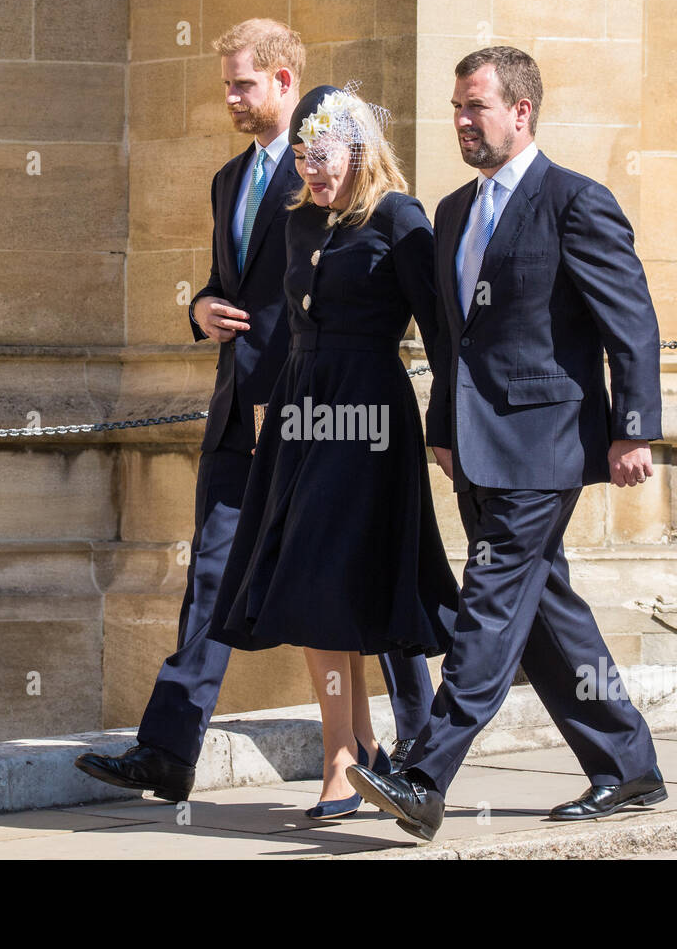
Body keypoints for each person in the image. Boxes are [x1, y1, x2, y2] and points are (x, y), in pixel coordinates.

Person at [74, 20, 434, 804]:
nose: (230, 98)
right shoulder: (229, 180)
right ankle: (169, 750)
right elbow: (226, 286)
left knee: (372, 571)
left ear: (283, 81)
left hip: (319, 417)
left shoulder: (336, 171)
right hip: (241, 411)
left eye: (242, 83)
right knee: (212, 575)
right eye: (227, 84)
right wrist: (200, 307)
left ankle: (419, 746)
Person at [347, 46, 668, 841]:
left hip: (544, 445)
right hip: (476, 448)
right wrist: (443, 430)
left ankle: (423, 773)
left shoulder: (575, 203)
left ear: (521, 112)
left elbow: (631, 324)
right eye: (457, 106)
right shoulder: (453, 212)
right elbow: (453, 339)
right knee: (544, 609)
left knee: (487, 603)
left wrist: (634, 428)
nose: (461, 120)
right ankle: (628, 768)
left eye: (475, 107)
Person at [205, 84, 458, 819]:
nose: (313, 170)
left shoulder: (399, 218)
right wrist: (266, 410)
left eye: (326, 156)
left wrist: (446, 425)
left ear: (360, 150)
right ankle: (351, 749)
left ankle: (347, 757)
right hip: (300, 413)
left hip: (370, 419)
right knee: (314, 580)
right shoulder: (298, 222)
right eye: (305, 157)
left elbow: (439, 334)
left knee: (337, 578)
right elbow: (283, 327)